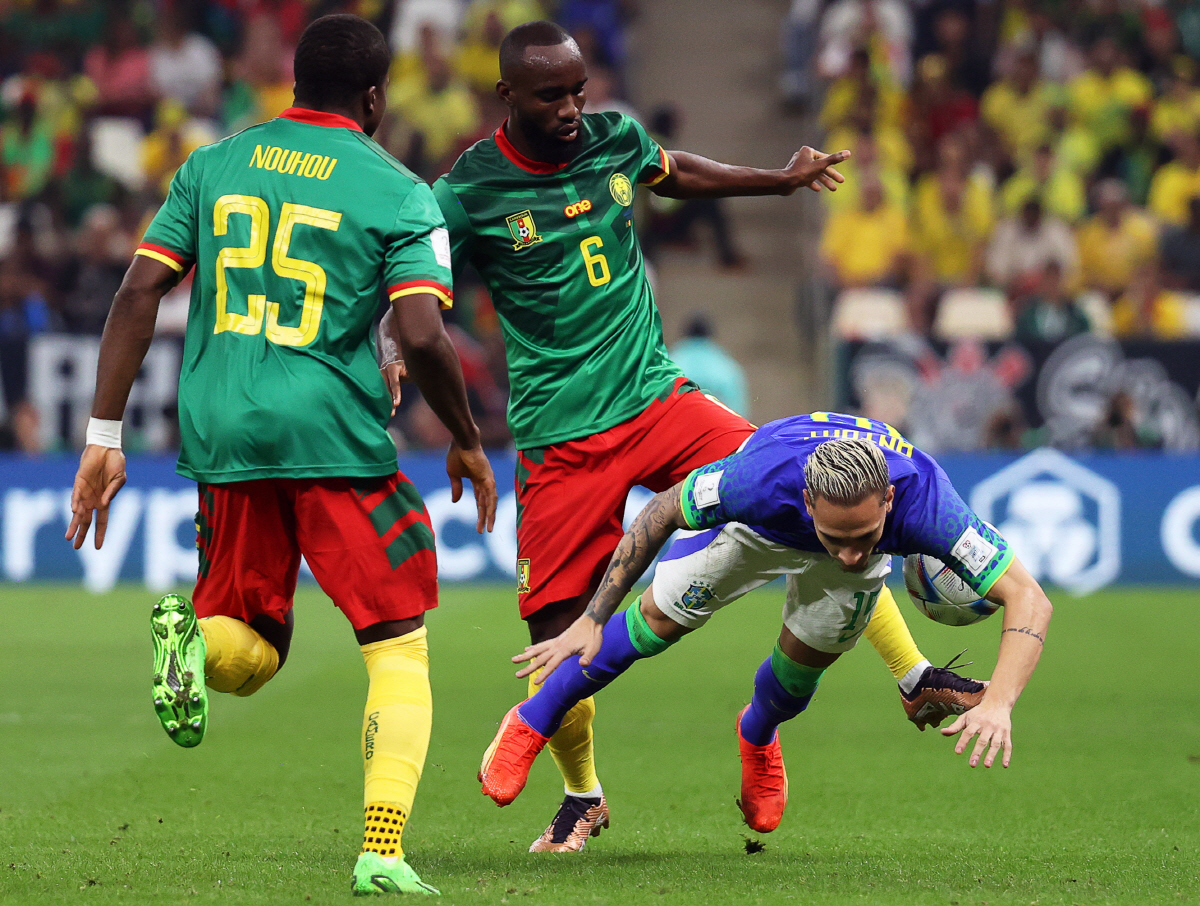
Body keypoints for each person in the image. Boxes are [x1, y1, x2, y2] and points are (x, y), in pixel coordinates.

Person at [383, 20, 986, 853]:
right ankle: (583, 796)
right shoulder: (466, 191)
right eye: (551, 95)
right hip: (561, 436)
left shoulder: (613, 138)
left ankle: (911, 677)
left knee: (816, 495)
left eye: (578, 90)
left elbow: (674, 172)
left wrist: (777, 182)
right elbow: (413, 276)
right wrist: (391, 336)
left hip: (661, 398)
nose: (570, 108)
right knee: (556, 640)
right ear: (508, 96)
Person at [63, 15, 498, 896]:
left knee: (251, 653)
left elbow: (139, 290)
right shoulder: (398, 190)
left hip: (223, 431)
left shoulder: (211, 164)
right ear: (376, 97)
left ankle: (190, 638)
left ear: (295, 82)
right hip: (329, 433)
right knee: (397, 643)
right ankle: (382, 846)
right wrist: (465, 435)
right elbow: (422, 329)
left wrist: (102, 439)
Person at [480, 416, 1053, 834]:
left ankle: (756, 734)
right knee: (657, 621)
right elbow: (659, 512)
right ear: (807, 500)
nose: (852, 555)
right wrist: (592, 616)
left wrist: (999, 702)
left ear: (888, 500)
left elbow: (1029, 599)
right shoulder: (756, 481)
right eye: (836, 537)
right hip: (757, 534)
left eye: (864, 538)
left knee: (800, 676)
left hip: (830, 537)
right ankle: (533, 717)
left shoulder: (928, 505)